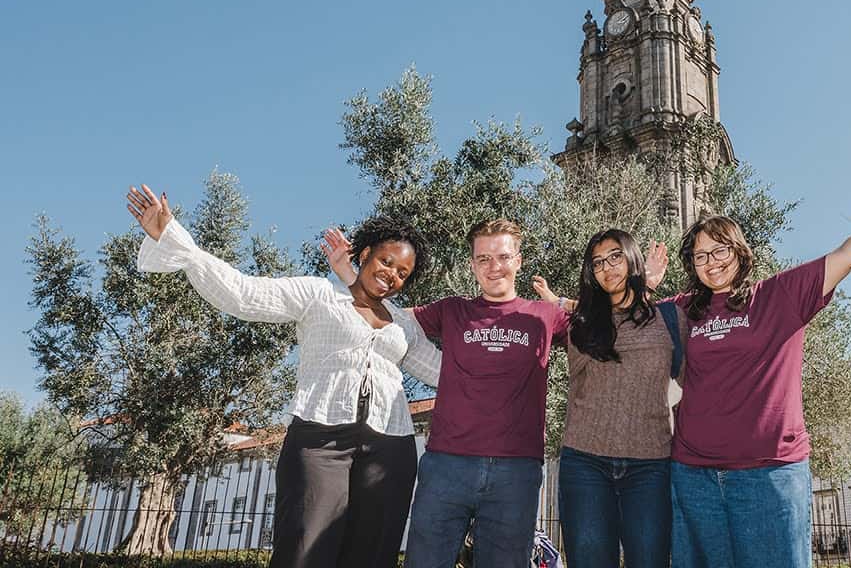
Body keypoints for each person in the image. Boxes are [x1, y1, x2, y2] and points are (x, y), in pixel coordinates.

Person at [126, 185, 441, 568]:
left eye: (402, 273)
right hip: (320, 438)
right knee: (303, 548)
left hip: (390, 447)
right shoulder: (319, 293)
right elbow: (242, 294)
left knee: (373, 553)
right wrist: (177, 239)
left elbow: (444, 372)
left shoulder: (403, 323)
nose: (391, 274)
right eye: (387, 261)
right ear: (364, 254)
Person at [667, 157, 851, 568]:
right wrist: (561, 307)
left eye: (719, 250)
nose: (711, 262)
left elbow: (847, 255)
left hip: (769, 476)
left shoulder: (780, 295)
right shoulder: (685, 309)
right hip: (694, 477)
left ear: (739, 252)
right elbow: (629, 318)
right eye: (700, 255)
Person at [328, 218, 568, 568]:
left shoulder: (545, 315)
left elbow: (602, 332)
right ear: (472, 264)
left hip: (516, 470)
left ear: (518, 259)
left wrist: (567, 300)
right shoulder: (452, 310)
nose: (493, 267)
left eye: (502, 257)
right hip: (446, 467)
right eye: (483, 258)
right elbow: (385, 315)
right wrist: (347, 273)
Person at [529, 230, 681, 568]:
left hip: (650, 467)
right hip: (585, 464)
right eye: (597, 262)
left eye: (615, 256)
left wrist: (647, 287)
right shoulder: (581, 323)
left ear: (631, 258)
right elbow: (583, 312)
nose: (607, 267)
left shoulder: (670, 318)